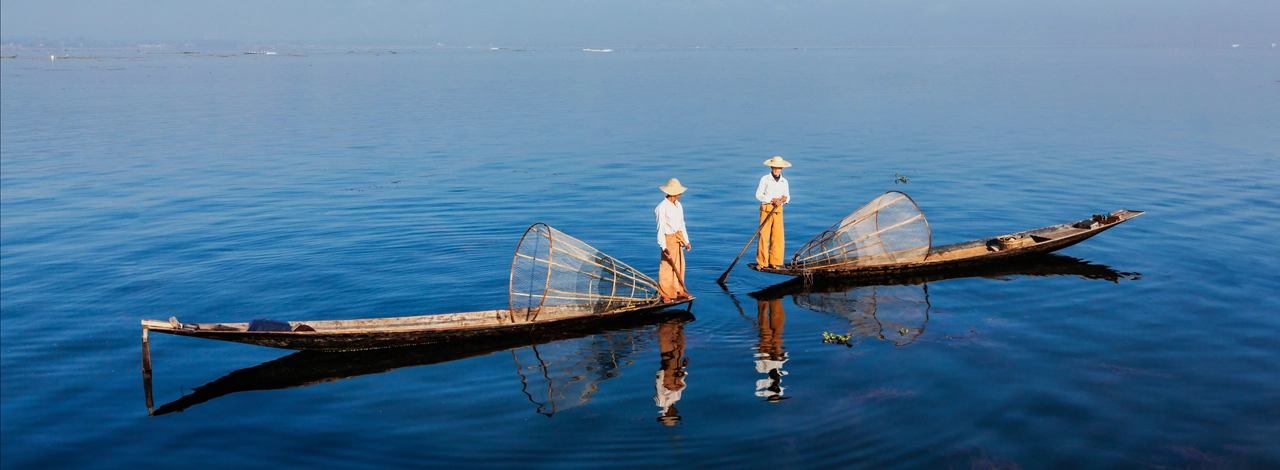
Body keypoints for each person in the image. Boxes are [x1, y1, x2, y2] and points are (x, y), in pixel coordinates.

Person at [655, 178, 692, 303]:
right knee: (666, 266)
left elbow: (682, 224)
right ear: (673, 193)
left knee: (680, 264)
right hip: (668, 239)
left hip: (678, 237)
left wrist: (686, 241)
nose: (680, 194)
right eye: (679, 192)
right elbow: (660, 229)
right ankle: (664, 294)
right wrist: (663, 247)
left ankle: (679, 290)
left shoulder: (678, 205)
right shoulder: (662, 207)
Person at [755, 156, 792, 268]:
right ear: (771, 168)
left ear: (782, 169)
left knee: (778, 236)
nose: (776, 170)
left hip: (778, 210)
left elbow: (787, 196)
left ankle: (775, 261)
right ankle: (762, 262)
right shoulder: (765, 179)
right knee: (763, 235)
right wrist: (772, 199)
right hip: (766, 208)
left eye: (779, 168)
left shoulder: (784, 181)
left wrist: (784, 199)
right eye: (775, 168)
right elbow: (758, 195)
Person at [654, 319, 689, 426]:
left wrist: (663, 371)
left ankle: (669, 325)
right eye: (675, 413)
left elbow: (659, 385)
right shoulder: (677, 398)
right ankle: (677, 325)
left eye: (674, 413)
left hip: (668, 372)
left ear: (668, 414)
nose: (675, 411)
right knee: (678, 347)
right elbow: (681, 381)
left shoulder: (661, 403)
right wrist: (683, 367)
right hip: (676, 370)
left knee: (669, 348)